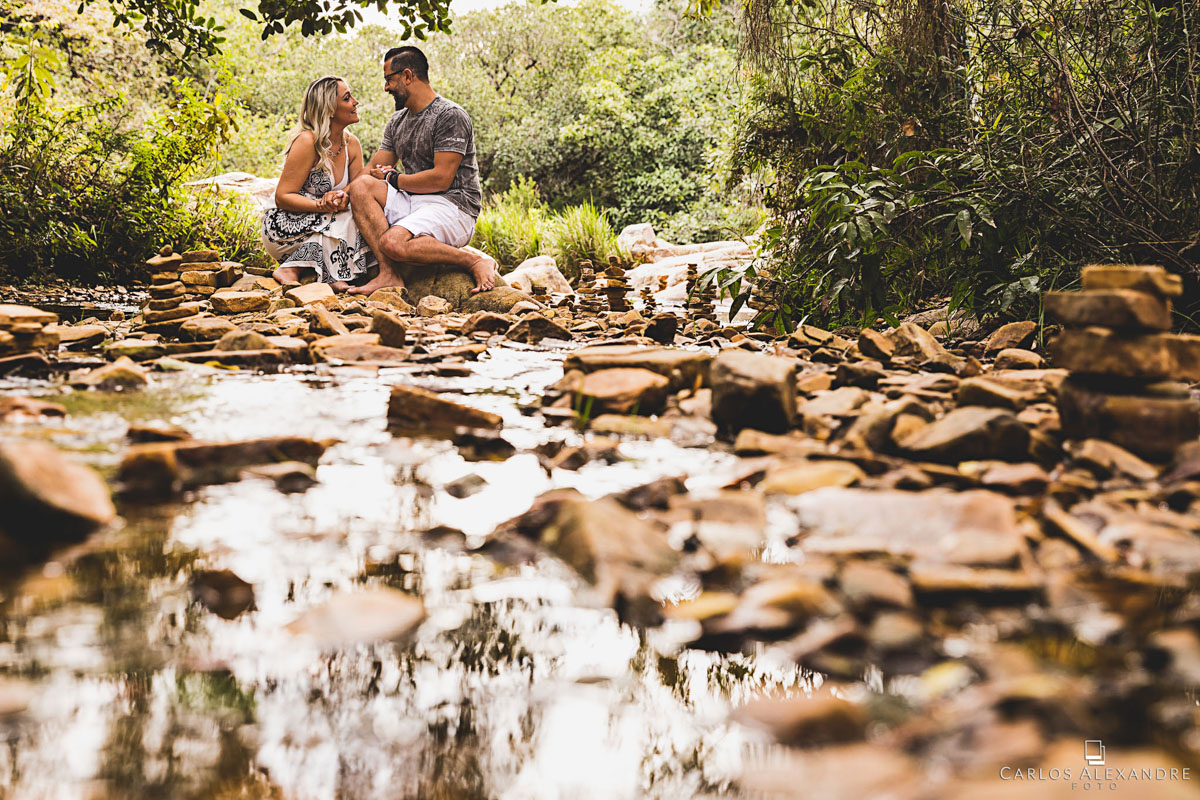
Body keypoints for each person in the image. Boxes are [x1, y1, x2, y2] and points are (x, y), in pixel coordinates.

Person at [346, 46, 498, 296]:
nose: (386, 88)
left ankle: (473, 261)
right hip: (414, 200)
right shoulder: (397, 121)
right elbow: (372, 170)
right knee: (361, 186)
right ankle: (389, 275)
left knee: (392, 242)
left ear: (407, 76)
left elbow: (441, 179)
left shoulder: (450, 116)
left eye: (389, 80)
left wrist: (393, 178)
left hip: (454, 205)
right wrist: (343, 193)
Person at [262, 76, 376, 291]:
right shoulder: (307, 141)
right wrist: (321, 205)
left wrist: (344, 194)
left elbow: (357, 188)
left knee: (362, 211)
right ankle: (318, 273)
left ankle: (300, 268)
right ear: (330, 109)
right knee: (348, 217)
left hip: (327, 217)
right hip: (287, 224)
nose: (355, 102)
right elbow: (283, 196)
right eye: (347, 98)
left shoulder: (352, 144)